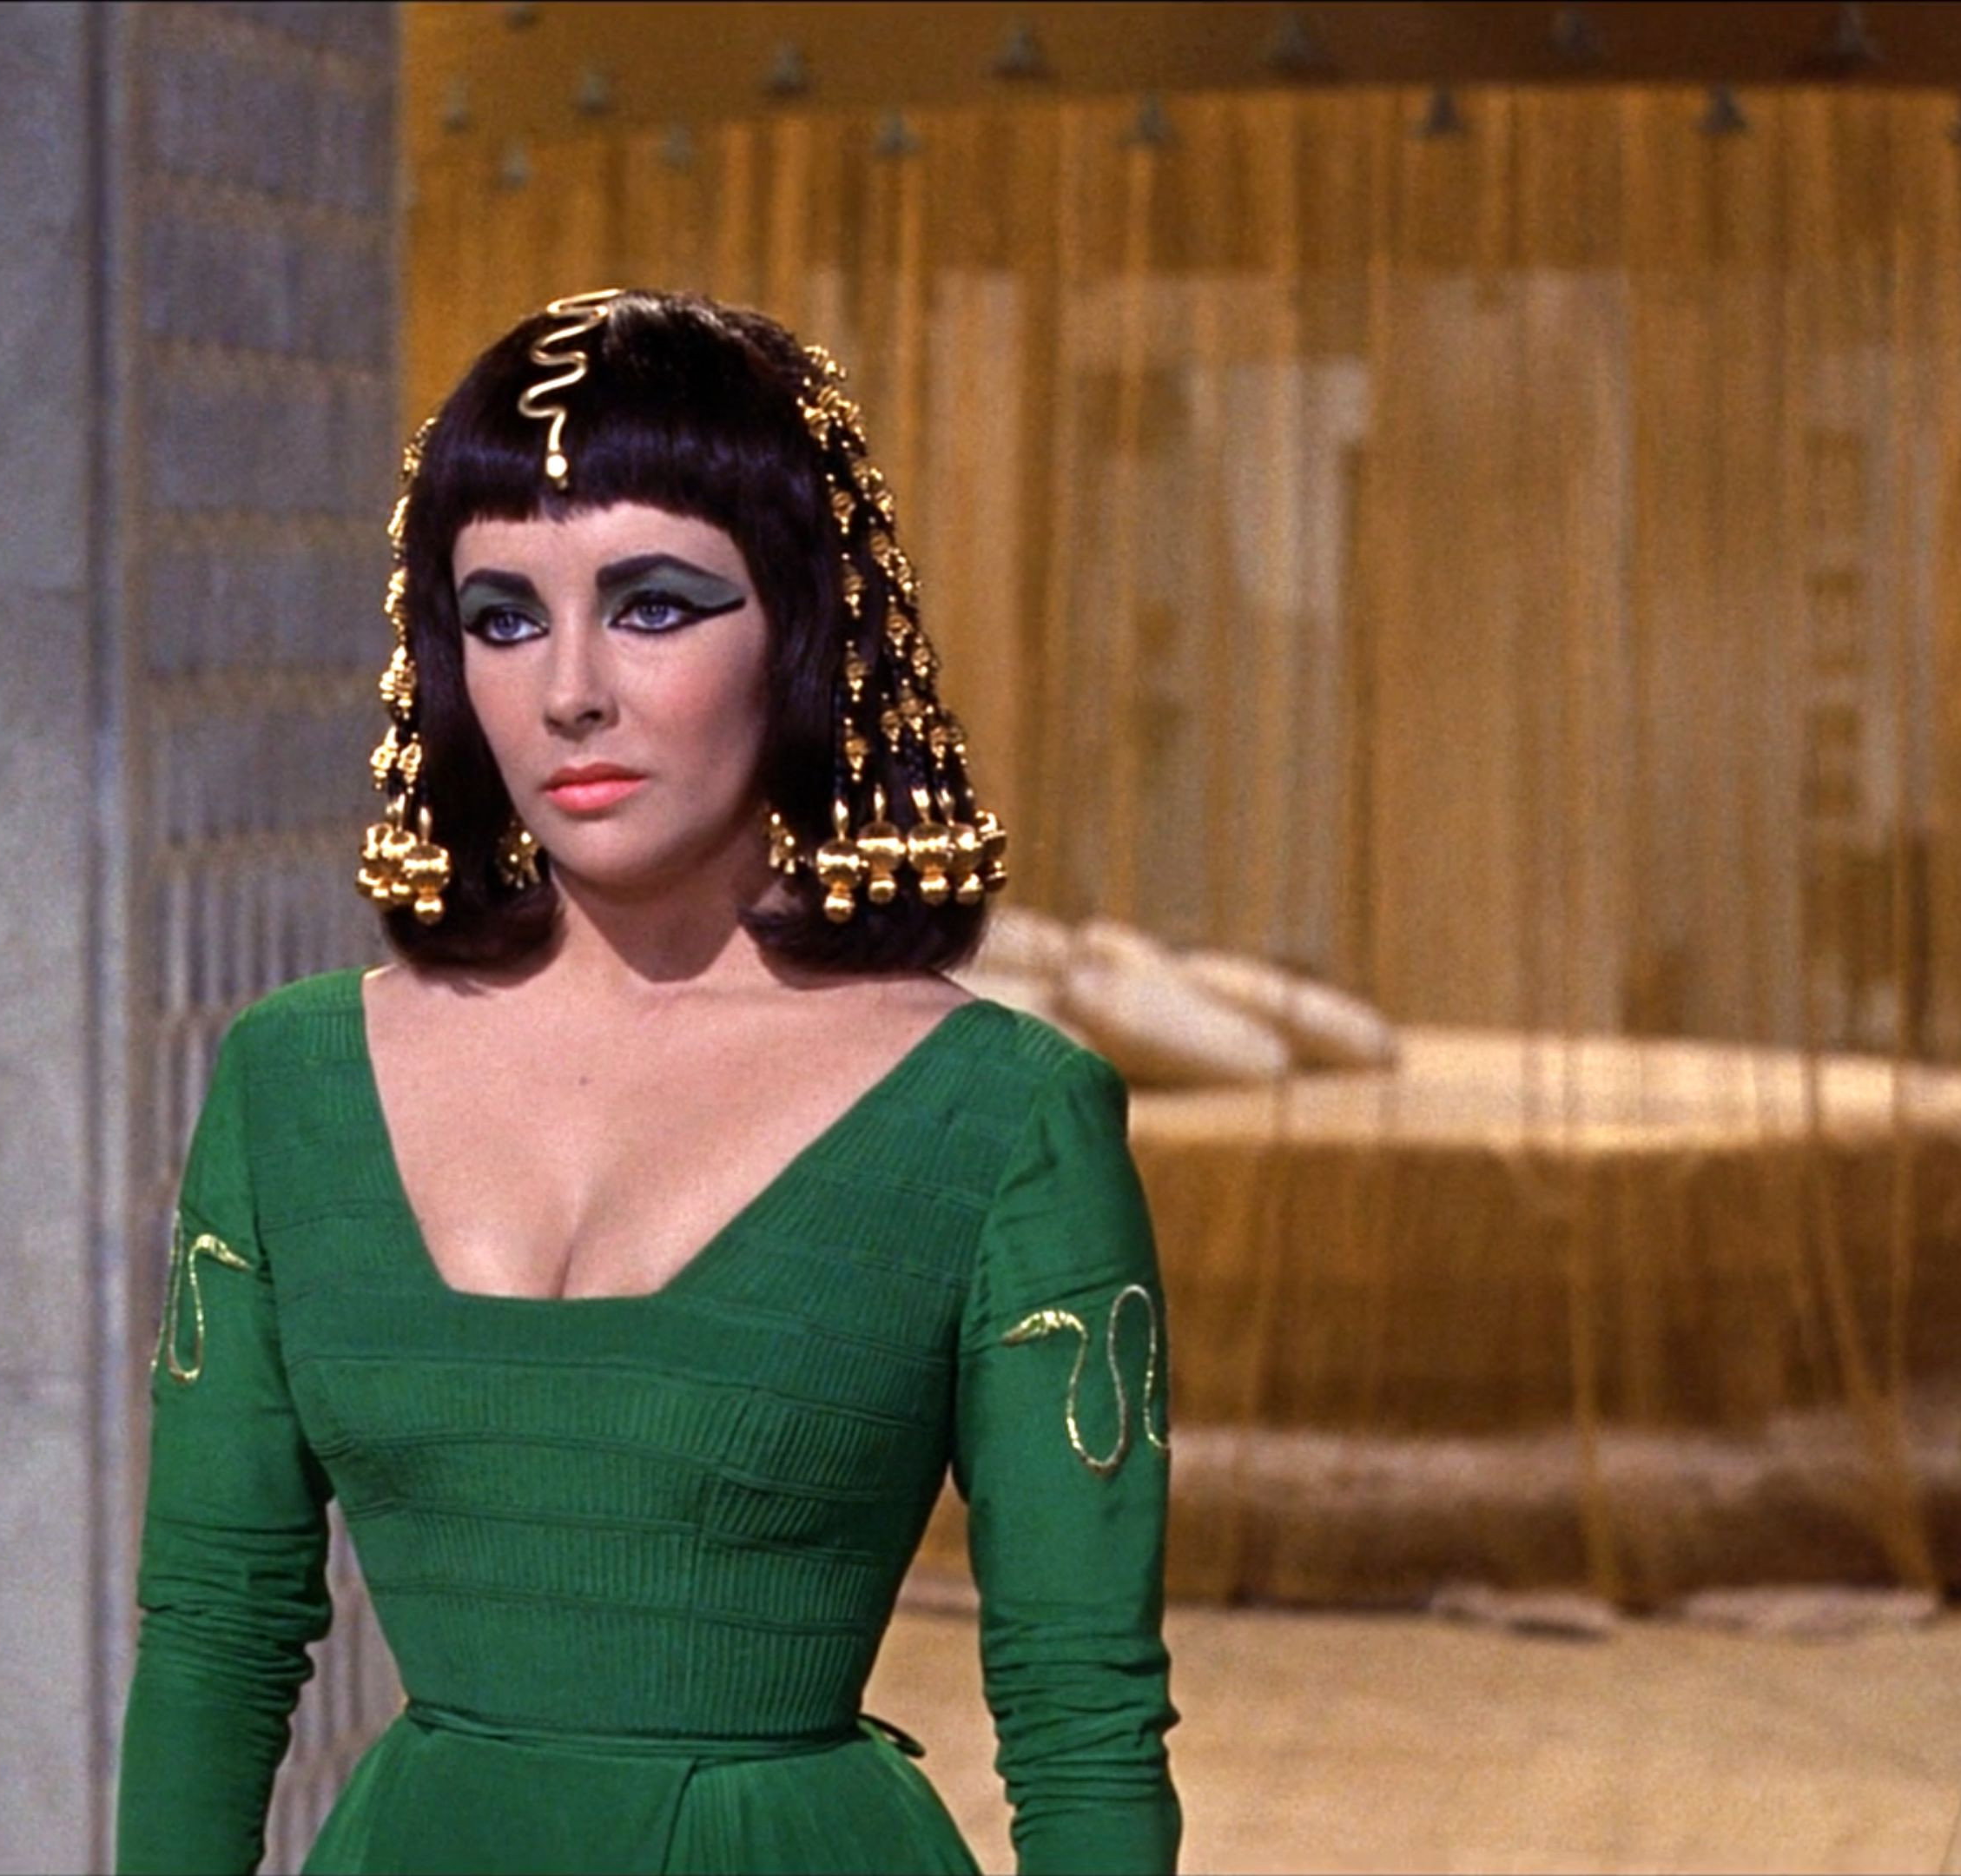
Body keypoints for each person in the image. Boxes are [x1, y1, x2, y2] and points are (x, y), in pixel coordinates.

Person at [116, 289, 1177, 1875]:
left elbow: (1082, 1720)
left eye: (654, 606)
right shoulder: (294, 1083)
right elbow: (215, 1630)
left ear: (803, 632)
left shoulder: (1002, 1116)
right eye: (504, 618)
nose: (569, 693)